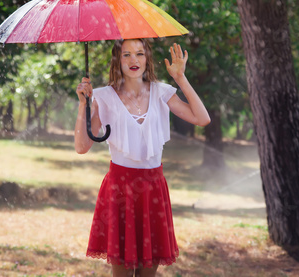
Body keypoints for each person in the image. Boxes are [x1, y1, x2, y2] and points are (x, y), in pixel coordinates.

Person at [75, 39, 210, 277]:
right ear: (117, 60)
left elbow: (202, 118)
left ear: (147, 59)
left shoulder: (161, 92)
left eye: (139, 54)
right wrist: (83, 105)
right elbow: (82, 146)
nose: (133, 60)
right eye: (126, 55)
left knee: (148, 272)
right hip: (120, 189)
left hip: (152, 190)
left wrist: (181, 78)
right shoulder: (104, 96)